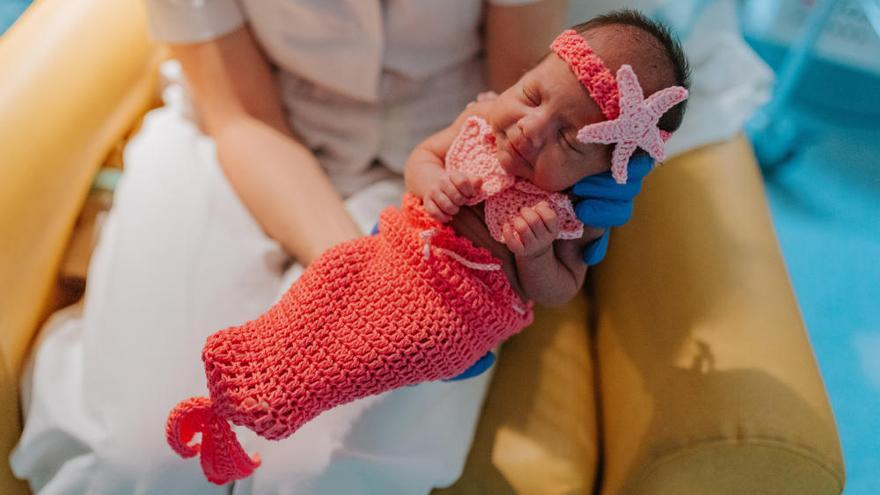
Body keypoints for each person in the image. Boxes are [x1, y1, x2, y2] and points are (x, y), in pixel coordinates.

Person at [9, 2, 650, 495]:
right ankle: (84, 346)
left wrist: (542, 203)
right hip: (248, 135)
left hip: (459, 176)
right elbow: (242, 116)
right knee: (138, 459)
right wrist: (367, 277)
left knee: (322, 475)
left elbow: (525, 90)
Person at [164, 20, 690, 486]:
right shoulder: (482, 123)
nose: (530, 131)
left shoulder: (574, 211)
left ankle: (290, 397)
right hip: (406, 241)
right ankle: (248, 366)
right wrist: (433, 182)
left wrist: (535, 256)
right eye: (531, 96)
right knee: (334, 276)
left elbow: (561, 288)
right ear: (526, 75)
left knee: (404, 349)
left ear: (608, 167)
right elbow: (425, 155)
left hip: (465, 305)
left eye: (570, 140)